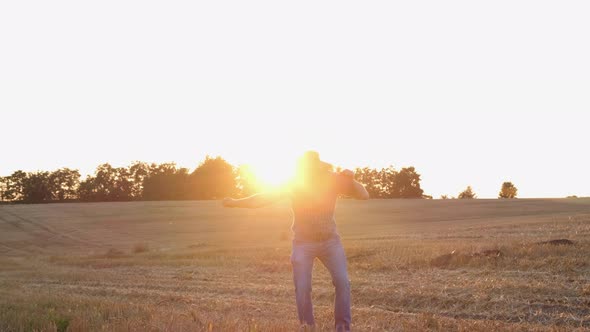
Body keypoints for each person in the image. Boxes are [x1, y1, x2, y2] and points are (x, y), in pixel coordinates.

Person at [222, 151, 369, 331]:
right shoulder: (294, 182)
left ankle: (342, 328)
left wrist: (351, 179)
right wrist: (236, 202)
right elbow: (262, 198)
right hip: (303, 243)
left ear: (320, 168)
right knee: (302, 287)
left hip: (331, 242)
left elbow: (364, 195)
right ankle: (308, 327)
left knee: (343, 282)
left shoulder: (333, 179)